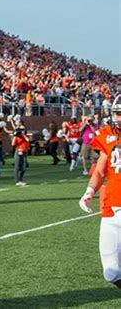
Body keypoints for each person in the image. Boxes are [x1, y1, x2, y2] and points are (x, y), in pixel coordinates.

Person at [78, 94, 121, 288]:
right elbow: (101, 170)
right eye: (117, 114)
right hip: (111, 208)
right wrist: (89, 190)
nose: (118, 118)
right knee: (111, 272)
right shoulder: (108, 134)